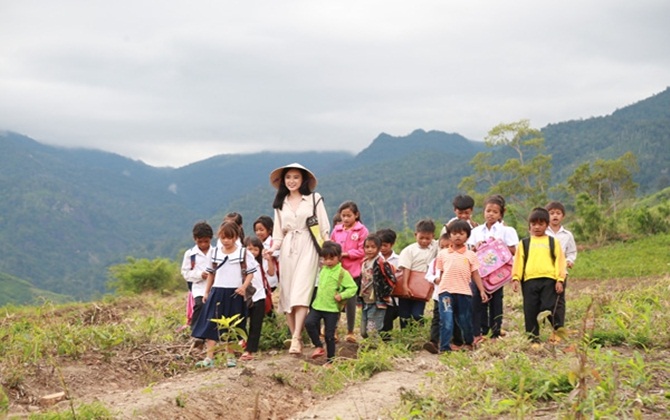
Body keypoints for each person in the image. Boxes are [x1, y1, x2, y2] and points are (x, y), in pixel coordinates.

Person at [264, 163, 330, 355]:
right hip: (287, 250)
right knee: (288, 295)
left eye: (296, 177)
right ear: (283, 180)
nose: (292, 181)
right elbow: (278, 234)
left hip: (309, 246)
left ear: (303, 180)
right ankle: (296, 337)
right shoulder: (280, 203)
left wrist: (328, 252)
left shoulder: (314, 199)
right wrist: (272, 249)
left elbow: (324, 229)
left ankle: (295, 338)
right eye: (288, 177)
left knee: (302, 292)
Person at [191, 222, 258, 368]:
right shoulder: (215, 253)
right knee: (211, 324)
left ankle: (230, 356)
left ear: (235, 238)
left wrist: (243, 287)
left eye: (229, 237)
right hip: (217, 291)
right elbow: (211, 274)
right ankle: (209, 357)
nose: (226, 241)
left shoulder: (243, 253)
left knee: (232, 326)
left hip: (234, 293)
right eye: (223, 237)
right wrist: (207, 292)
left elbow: (250, 273)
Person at [468, 195, 518, 341]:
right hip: (480, 273)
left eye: (495, 212)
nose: (491, 214)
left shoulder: (506, 231)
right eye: (488, 210)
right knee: (477, 300)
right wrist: (477, 247)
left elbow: (514, 250)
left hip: (498, 274)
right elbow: (470, 249)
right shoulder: (476, 231)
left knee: (496, 300)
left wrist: (496, 246)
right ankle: (480, 331)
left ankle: (495, 331)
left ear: (501, 214)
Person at [511, 207, 567, 342]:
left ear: (546, 225)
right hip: (529, 281)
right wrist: (515, 278)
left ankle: (558, 332)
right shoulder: (524, 243)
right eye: (534, 224)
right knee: (530, 309)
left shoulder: (553, 242)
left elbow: (560, 261)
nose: (537, 227)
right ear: (529, 225)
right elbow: (518, 262)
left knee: (550, 306)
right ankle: (533, 338)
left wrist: (560, 279)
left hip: (549, 280)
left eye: (541, 224)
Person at [436, 220, 490, 352]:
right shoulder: (442, 254)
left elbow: (475, 274)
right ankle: (444, 347)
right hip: (446, 292)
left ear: (467, 236)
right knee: (447, 320)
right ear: (449, 235)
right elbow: (442, 272)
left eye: (461, 233)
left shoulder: (471, 255)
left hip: (464, 292)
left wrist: (482, 291)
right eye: (454, 233)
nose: (458, 236)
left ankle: (469, 342)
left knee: (464, 320)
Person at [305, 241, 357, 364]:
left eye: (331, 258)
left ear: (339, 257)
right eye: (325, 259)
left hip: (332, 309)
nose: (328, 261)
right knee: (309, 323)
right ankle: (318, 346)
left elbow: (353, 288)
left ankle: (330, 361)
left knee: (329, 335)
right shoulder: (323, 270)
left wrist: (342, 295)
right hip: (318, 305)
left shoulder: (342, 273)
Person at [330, 201, 369, 343]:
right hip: (337, 271)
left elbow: (363, 250)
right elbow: (331, 245)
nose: (346, 219)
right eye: (343, 216)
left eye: (349, 215)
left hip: (353, 272)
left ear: (356, 215)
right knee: (335, 300)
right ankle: (332, 330)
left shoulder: (361, 230)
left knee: (350, 302)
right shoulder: (337, 230)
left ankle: (350, 331)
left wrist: (346, 254)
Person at [397, 219, 439, 328]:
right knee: (404, 315)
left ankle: (418, 333)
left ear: (433, 236)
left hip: (422, 287)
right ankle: (406, 338)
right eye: (421, 238)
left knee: (417, 314)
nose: (424, 241)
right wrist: (405, 286)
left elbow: (446, 235)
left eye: (428, 238)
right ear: (416, 235)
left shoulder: (435, 246)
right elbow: (406, 268)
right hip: (408, 284)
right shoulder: (409, 250)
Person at [545, 201, 577, 342]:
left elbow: (572, 251)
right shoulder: (543, 232)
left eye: (558, 213)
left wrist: (570, 260)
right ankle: (551, 323)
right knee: (546, 300)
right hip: (545, 270)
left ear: (563, 216)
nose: (555, 216)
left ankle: (558, 329)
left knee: (559, 300)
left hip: (561, 271)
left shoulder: (567, 235)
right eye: (551, 213)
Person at [240, 236, 276, 361]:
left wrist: (269, 260)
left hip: (260, 295)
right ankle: (242, 342)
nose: (253, 252)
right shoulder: (241, 262)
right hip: (245, 295)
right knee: (241, 320)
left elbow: (271, 273)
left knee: (256, 324)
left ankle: (250, 350)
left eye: (256, 249)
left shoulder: (261, 262)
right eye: (249, 249)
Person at [180, 221, 213, 332]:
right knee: (199, 305)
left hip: (215, 285)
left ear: (210, 239)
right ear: (195, 239)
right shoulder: (190, 254)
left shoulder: (216, 252)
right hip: (199, 286)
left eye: (206, 241)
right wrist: (199, 275)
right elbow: (185, 273)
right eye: (200, 241)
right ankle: (196, 331)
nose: (203, 244)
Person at [358, 234, 392, 339]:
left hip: (377, 302)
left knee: (372, 330)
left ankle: (375, 350)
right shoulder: (364, 263)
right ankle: (372, 347)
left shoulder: (381, 263)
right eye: (367, 247)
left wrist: (384, 294)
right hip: (365, 301)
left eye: (373, 247)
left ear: (378, 248)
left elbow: (391, 280)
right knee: (364, 331)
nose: (370, 250)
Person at [423, 233, 450, 354]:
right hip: (438, 295)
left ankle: (454, 341)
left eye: (448, 246)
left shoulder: (457, 260)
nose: (444, 250)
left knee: (452, 318)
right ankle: (433, 341)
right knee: (437, 318)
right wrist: (435, 279)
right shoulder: (435, 261)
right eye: (442, 247)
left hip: (454, 294)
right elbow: (428, 275)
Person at [377, 228, 400, 337]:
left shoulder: (398, 260)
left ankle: (387, 341)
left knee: (388, 320)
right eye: (379, 245)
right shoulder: (374, 259)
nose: (382, 248)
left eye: (385, 245)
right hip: (377, 296)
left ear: (392, 244)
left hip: (392, 297)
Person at [253, 215, 279, 289]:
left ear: (269, 230)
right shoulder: (259, 244)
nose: (258, 232)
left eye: (261, 230)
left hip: (271, 280)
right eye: (256, 230)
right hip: (262, 280)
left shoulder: (273, 244)